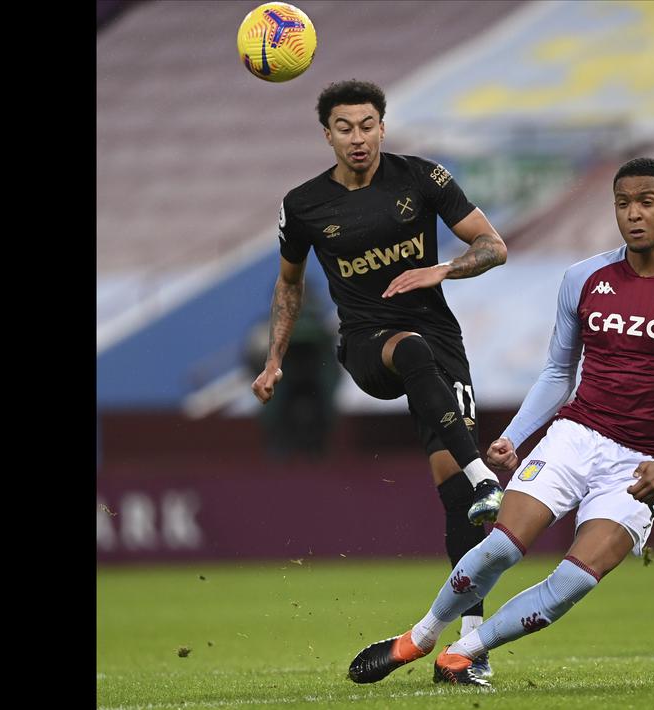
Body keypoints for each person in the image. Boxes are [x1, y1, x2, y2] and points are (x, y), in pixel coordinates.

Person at [346, 157, 654, 688]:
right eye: (623, 204)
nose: (634, 215)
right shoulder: (584, 278)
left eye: (646, 204)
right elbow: (557, 372)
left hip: (641, 462)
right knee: (502, 545)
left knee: (572, 583)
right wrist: (513, 436)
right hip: (576, 436)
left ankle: (465, 653)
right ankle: (420, 636)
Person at [250, 79, 508, 679]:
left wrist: (439, 270)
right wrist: (274, 360)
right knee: (411, 350)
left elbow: (494, 246)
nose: (358, 138)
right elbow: (290, 284)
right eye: (345, 128)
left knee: (459, 506)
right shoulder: (304, 204)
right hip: (369, 344)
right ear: (327, 135)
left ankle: (469, 652)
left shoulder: (422, 178)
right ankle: (484, 474)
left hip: (440, 343)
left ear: (382, 127)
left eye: (367, 125)